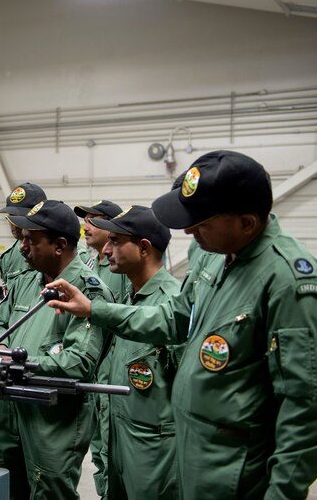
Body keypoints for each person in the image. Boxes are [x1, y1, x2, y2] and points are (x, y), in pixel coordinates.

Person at [46, 150, 317, 500]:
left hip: (237, 470)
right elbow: (174, 317)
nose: (189, 230)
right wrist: (93, 310)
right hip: (190, 453)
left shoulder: (287, 281)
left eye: (202, 223)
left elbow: (304, 408)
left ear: (247, 223)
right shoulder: (211, 254)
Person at [0, 200, 114, 500]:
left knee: (49, 492)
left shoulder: (89, 292)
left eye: (31, 241)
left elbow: (78, 362)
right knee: (4, 485)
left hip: (53, 418)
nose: (22, 248)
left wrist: (18, 362)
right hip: (11, 408)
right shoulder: (27, 282)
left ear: (59, 245)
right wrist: (2, 347)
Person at [87, 205, 181, 500]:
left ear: (143, 248)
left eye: (115, 241)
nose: (105, 251)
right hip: (117, 444)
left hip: (156, 456)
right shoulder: (127, 301)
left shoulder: (172, 305)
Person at [73, 198, 126, 499]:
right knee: (97, 447)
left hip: (113, 369)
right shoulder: (91, 264)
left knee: (110, 444)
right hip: (94, 367)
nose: (86, 227)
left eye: (94, 221)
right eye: (85, 220)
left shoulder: (121, 268)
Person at [0, 182, 47, 297]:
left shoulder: (67, 252)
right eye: (11, 216)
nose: (13, 223)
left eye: (20, 216)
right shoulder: (8, 258)